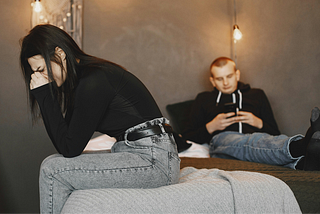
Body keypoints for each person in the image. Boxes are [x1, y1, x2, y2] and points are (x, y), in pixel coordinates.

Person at [20, 24, 180, 214]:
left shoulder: (93, 81)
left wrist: (44, 94)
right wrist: (45, 93)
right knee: (52, 163)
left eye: (40, 68)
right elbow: (66, 142)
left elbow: (70, 149)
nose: (40, 76)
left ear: (59, 53)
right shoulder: (82, 82)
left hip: (155, 161)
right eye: (35, 73)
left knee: (53, 170)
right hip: (138, 153)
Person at [182, 56, 320, 171]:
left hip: (260, 140)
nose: (225, 83)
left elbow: (275, 133)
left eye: (229, 76)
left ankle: (303, 164)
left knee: (258, 146)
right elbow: (187, 136)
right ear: (212, 81)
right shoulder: (203, 98)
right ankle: (301, 145)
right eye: (219, 79)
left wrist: (258, 122)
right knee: (248, 142)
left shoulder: (257, 94)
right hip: (222, 142)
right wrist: (211, 126)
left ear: (237, 74)